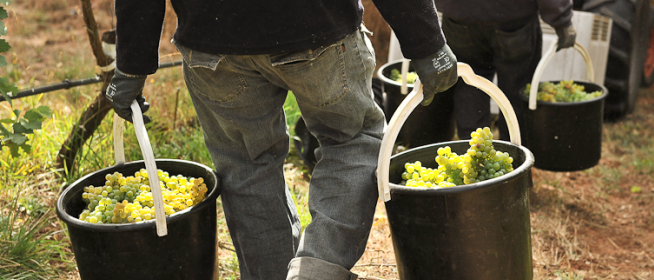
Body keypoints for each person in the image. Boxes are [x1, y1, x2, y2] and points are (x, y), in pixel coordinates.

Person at [105, 1, 458, 279]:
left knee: (246, 166)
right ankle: (315, 274)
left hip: (212, 40)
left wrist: (131, 66)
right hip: (317, 26)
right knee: (353, 141)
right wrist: (426, 41)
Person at [434, 0, 576, 141]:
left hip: (460, 14)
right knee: (517, 89)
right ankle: (514, 154)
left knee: (469, 84)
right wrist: (561, 19)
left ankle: (473, 152)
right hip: (513, 16)